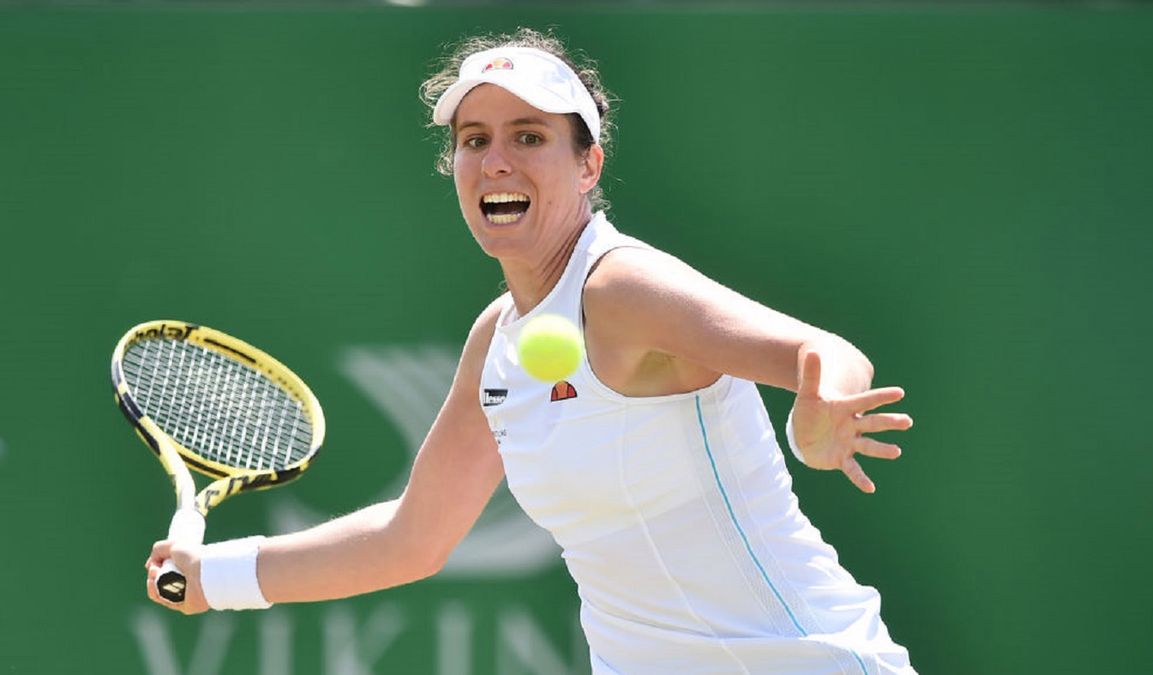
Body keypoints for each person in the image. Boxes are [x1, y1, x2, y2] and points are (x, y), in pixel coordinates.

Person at [146, 28, 917, 674]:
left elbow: (820, 353)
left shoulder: (624, 286)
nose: (497, 160)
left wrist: (821, 409)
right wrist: (216, 578)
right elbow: (410, 537)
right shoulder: (498, 341)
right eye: (474, 140)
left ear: (589, 165)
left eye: (530, 136)